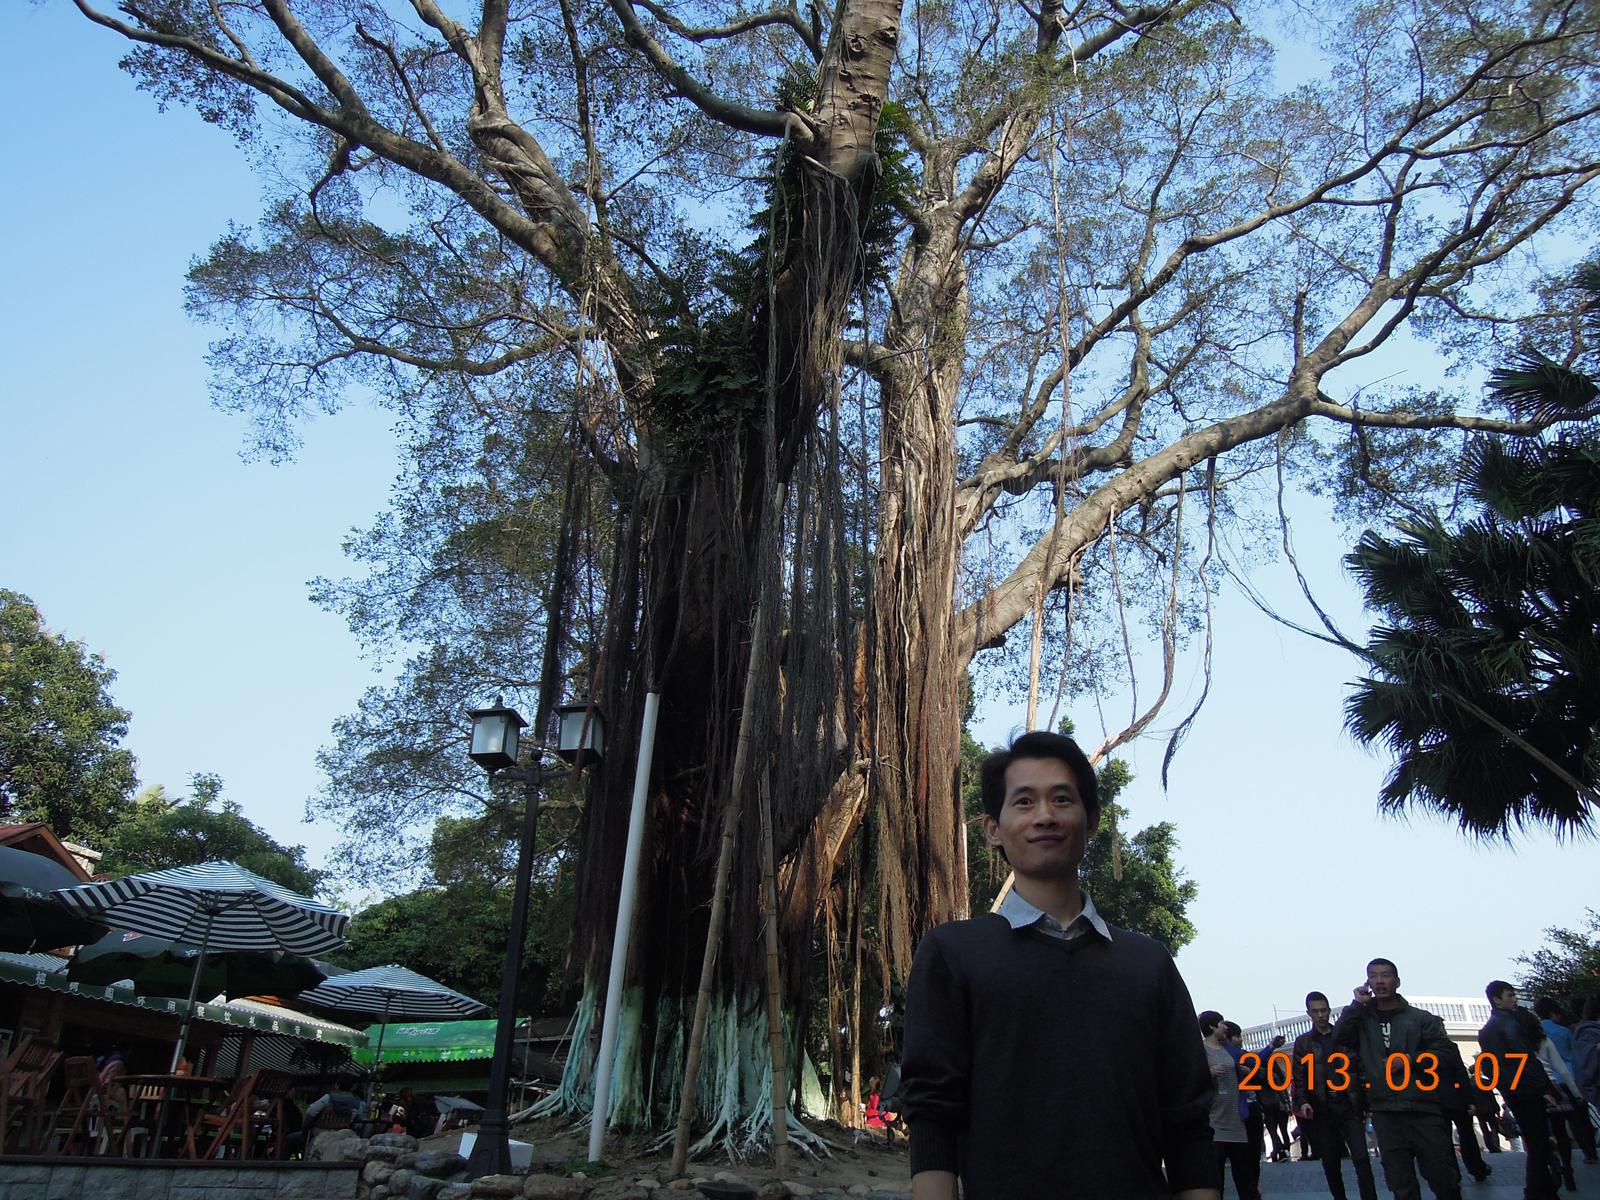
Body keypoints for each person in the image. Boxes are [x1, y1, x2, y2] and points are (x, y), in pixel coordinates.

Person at [900, 729, 1220, 1199]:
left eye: (1062, 799)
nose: (1045, 815)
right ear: (993, 829)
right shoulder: (952, 953)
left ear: (1091, 821)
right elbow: (932, 1112)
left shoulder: (1148, 963)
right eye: (1024, 801)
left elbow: (1188, 1119)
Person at [1333, 958, 1462, 1200]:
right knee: (1400, 1184)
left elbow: (1445, 1053)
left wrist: (1410, 1060)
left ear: (1397, 981)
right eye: (1373, 976)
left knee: (1443, 1178)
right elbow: (1338, 1037)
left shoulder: (1420, 1018)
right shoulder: (1361, 1019)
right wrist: (1356, 1005)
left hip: (1423, 1107)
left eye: (1385, 975)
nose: (1379, 981)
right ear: (1367, 982)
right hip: (1385, 1111)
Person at [1479, 981, 1564, 1199]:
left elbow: (1490, 1065)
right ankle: (1535, 1189)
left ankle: (1542, 1189)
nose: (1514, 999)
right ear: (1497, 999)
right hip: (1526, 1088)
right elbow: (1525, 1058)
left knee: (1535, 1140)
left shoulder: (1487, 1030)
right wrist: (1543, 1088)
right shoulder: (1509, 1024)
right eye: (1509, 995)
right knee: (1539, 1141)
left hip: (1511, 1090)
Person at [1292, 990, 1379, 1200]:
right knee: (1330, 1161)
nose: (1320, 1015)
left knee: (1361, 1158)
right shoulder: (1303, 1042)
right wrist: (1303, 1101)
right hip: (1321, 1108)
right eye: (1316, 1011)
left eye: (1323, 1010)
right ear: (1309, 1013)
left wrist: (1367, 1102)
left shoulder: (1344, 1037)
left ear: (1329, 1010)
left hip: (1348, 1105)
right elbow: (1300, 1075)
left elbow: (1359, 1069)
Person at [1204, 1011, 1260, 1200]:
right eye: (1221, 1023)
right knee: (1217, 1179)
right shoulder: (1201, 1050)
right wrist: (1209, 1073)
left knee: (1245, 1177)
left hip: (1236, 1121)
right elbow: (1191, 1078)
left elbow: (1253, 1061)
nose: (1225, 1027)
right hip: (1215, 1123)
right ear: (1212, 1026)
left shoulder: (1228, 1049)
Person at [1535, 997, 1598, 1164]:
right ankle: (1589, 1152)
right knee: (1581, 1119)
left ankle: (1566, 1163)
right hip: (1570, 1077)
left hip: (1550, 1083)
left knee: (1559, 1125)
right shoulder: (1563, 1031)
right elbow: (1575, 1055)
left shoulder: (1535, 1033)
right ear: (1553, 1013)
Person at [1257, 1033, 1293, 1163]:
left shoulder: (1260, 1074)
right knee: (1283, 1130)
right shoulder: (1278, 1076)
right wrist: (1288, 1105)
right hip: (1281, 1105)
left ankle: (1280, 1151)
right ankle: (1285, 1151)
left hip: (1267, 1104)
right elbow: (1284, 1091)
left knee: (1272, 1131)